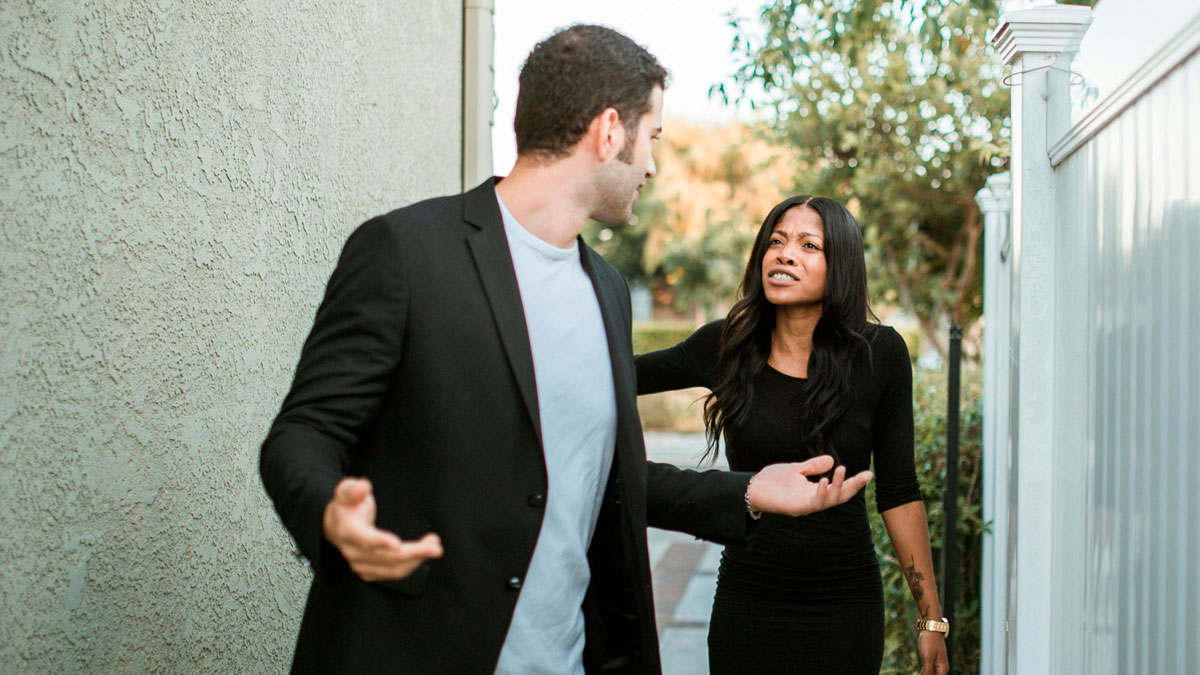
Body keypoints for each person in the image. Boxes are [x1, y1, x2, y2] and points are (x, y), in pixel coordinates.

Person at [259, 26, 872, 674]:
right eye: (652, 139)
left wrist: (748, 491)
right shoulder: (406, 252)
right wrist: (330, 511)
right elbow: (303, 432)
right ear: (610, 132)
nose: (653, 167)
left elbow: (612, 477)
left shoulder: (606, 290)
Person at [634, 195, 950, 675]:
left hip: (844, 605)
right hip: (748, 599)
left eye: (808, 245)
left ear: (840, 264)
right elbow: (614, 378)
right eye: (776, 241)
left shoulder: (879, 354)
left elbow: (900, 493)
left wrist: (931, 621)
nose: (784, 254)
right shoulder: (728, 347)